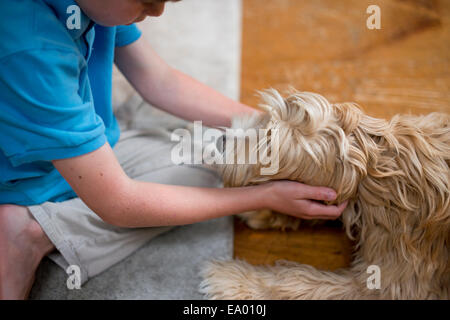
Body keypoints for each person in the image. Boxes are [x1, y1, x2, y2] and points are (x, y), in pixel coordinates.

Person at [0, 0, 347, 299]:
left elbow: (160, 81)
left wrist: (269, 129)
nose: (157, 12)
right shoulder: (30, 47)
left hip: (81, 147)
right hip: (24, 178)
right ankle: (28, 230)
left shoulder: (98, 6)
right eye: (147, 0)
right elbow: (118, 204)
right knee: (207, 185)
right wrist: (265, 197)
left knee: (214, 161)